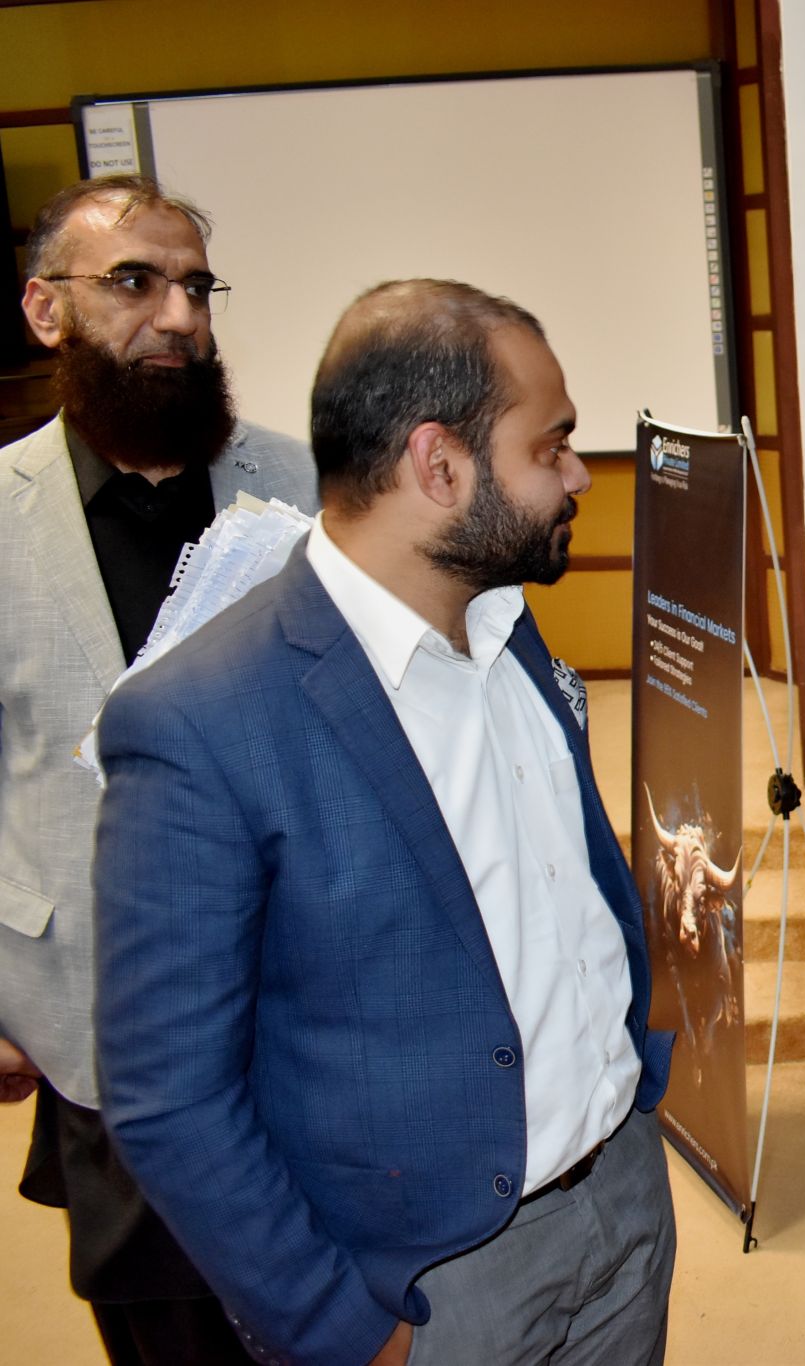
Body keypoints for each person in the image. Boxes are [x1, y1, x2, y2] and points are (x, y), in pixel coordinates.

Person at [91, 279, 676, 1366]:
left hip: (623, 1196)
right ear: (438, 465)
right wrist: (336, 1329)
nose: (576, 476)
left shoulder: (510, 624)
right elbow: (168, 1096)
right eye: (550, 446)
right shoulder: (197, 721)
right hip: (429, 1280)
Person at [0, 174, 318, 1363]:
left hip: (306, 1003)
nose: (179, 316)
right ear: (47, 310)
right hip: (98, 1017)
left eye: (195, 286)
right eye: (134, 282)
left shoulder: (306, 488)